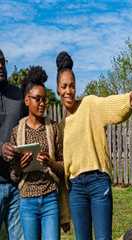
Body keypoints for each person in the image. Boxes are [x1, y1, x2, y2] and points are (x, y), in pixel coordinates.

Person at [56, 51, 132, 240]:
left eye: (72, 86)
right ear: (58, 90)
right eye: (64, 86)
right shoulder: (62, 126)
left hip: (98, 181)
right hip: (76, 188)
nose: (69, 90)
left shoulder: (89, 104)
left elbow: (109, 105)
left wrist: (127, 101)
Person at [9, 66, 69, 240]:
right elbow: (14, 175)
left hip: (50, 199)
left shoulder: (53, 128)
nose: (42, 103)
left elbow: (64, 167)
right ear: (27, 100)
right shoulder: (17, 132)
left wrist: (50, 162)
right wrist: (20, 166)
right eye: (37, 99)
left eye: (45, 99)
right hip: (27, 201)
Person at [0, 49, 24, 240]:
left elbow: (31, 126)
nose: (0, 66)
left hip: (16, 183)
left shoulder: (18, 95)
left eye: (2, 61)